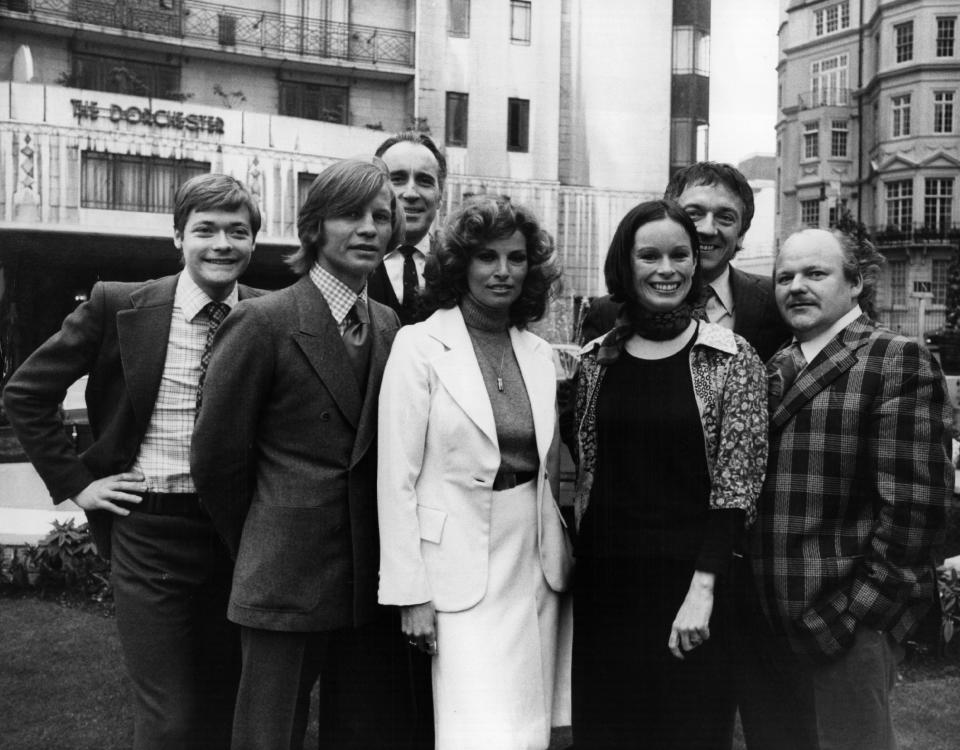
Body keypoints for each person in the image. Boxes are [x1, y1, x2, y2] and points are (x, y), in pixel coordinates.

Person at [2, 173, 263, 749]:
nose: (223, 244)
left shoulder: (268, 315)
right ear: (178, 237)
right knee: (168, 716)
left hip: (237, 534)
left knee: (226, 703)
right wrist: (76, 483)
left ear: (253, 242)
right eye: (206, 230)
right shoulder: (119, 304)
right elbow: (25, 392)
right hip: (148, 528)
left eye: (238, 232)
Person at [190, 158, 408, 749]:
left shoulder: (389, 325)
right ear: (314, 228)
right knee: (268, 734)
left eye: (381, 217)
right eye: (349, 215)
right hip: (282, 574)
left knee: (358, 729)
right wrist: (268, 534)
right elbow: (216, 461)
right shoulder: (262, 321)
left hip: (366, 576)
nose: (368, 229)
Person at [738, 228, 953, 750]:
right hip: (769, 624)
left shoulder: (894, 358)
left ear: (855, 283)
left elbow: (916, 511)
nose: (796, 287)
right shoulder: (775, 365)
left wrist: (853, 615)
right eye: (785, 276)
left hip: (845, 626)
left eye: (816, 273)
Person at [377, 195, 574, 750]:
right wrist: (410, 593)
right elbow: (396, 478)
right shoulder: (418, 346)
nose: (503, 271)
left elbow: (550, 469)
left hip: (534, 561)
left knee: (530, 724)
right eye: (487, 257)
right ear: (461, 263)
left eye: (516, 258)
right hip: (456, 566)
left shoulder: (537, 352)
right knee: (476, 729)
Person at [571, 199, 768, 749]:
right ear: (626, 264)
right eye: (650, 255)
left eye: (680, 255)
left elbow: (737, 486)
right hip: (606, 589)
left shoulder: (731, 359)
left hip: (691, 588)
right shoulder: (596, 359)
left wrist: (703, 589)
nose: (667, 269)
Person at [579, 162, 789, 361]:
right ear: (668, 217)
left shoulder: (777, 301)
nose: (707, 229)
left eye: (725, 217)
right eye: (694, 214)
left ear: (742, 233)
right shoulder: (607, 313)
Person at [368, 132, 446, 325]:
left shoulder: (456, 266)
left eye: (425, 181)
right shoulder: (351, 263)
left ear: (440, 197)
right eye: (397, 179)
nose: (411, 193)